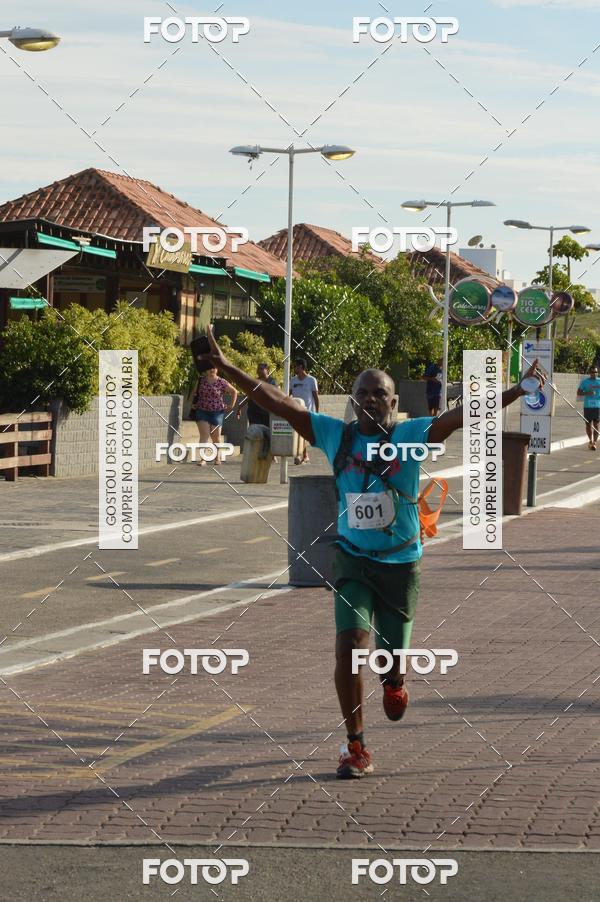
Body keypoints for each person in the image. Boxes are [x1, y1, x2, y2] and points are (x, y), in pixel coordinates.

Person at [202, 325, 543, 779]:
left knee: (390, 660)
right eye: (362, 393)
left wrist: (517, 390)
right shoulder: (335, 436)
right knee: (349, 648)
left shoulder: (413, 434)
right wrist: (228, 370)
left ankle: (396, 682)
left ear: (394, 403)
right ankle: (356, 745)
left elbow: (464, 415)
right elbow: (276, 401)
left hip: (401, 564)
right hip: (353, 561)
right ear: (353, 400)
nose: (370, 399)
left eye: (379, 393)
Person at [191, 366, 237, 465]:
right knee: (204, 435)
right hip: (202, 410)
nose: (212, 369)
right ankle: (203, 459)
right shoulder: (201, 381)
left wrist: (231, 405)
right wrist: (193, 403)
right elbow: (194, 392)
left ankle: (217, 457)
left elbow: (234, 391)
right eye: (210, 368)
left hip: (217, 412)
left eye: (214, 368)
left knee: (216, 437)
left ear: (217, 369)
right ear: (206, 369)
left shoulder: (221, 382)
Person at [290, 357, 319, 464]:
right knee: (298, 433)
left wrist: (317, 411)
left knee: (302, 433)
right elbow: (289, 395)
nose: (294, 368)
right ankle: (304, 455)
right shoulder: (293, 380)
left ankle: (302, 455)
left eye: (295, 366)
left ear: (301, 367)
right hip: (296, 411)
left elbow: (316, 397)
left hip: (308, 412)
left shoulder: (311, 380)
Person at [577, 364, 600, 450]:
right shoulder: (585, 382)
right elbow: (578, 393)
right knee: (588, 425)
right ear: (589, 373)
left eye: (596, 372)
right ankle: (590, 441)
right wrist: (587, 393)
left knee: (596, 425)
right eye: (593, 372)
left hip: (597, 406)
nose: (594, 373)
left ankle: (594, 442)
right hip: (588, 406)